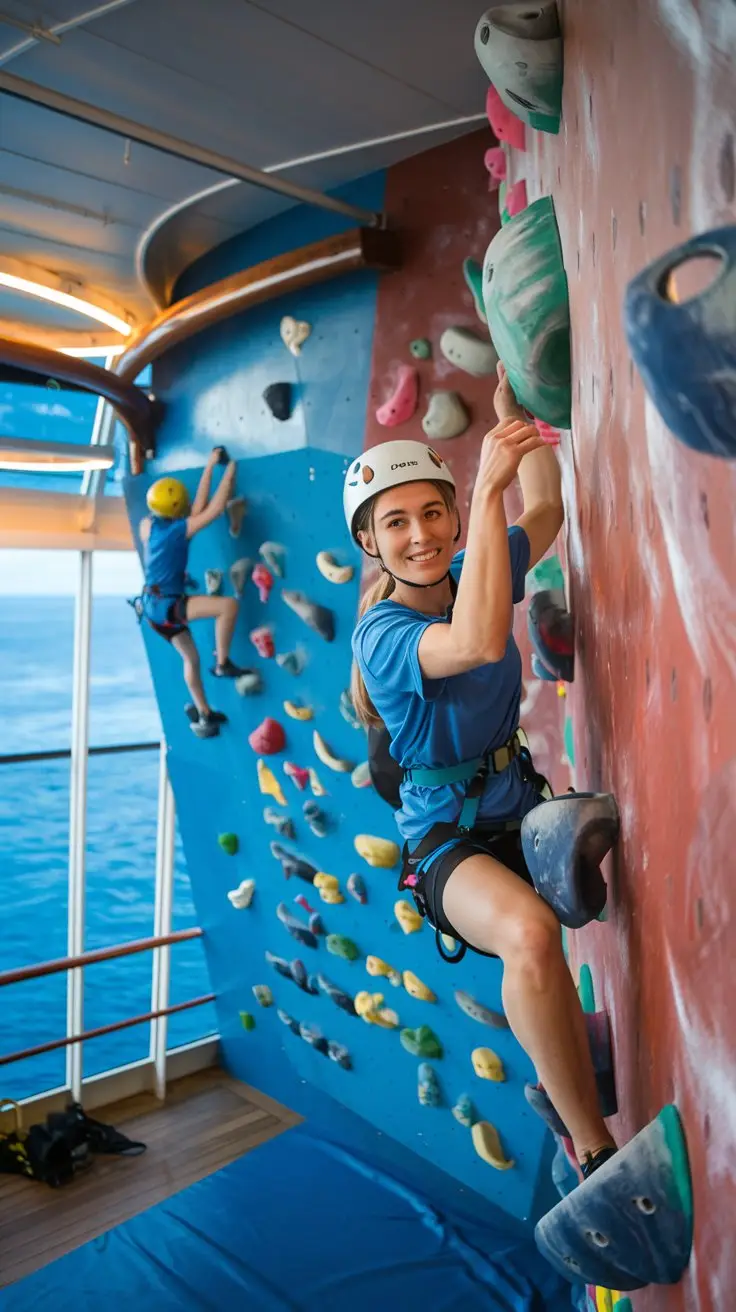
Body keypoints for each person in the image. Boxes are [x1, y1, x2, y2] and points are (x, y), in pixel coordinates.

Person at [348, 365, 617, 1179]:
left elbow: (549, 510)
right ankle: (593, 1151)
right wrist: (487, 486)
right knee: (530, 936)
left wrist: (517, 417)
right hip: (444, 843)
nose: (422, 533)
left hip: (515, 804)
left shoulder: (475, 572)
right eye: (397, 523)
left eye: (434, 512)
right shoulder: (382, 635)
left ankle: (565, 1062)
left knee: (545, 947)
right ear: (371, 543)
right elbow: (474, 644)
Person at [136, 446, 247, 739]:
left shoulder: (148, 525)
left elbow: (195, 512)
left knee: (191, 659)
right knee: (228, 607)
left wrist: (210, 466)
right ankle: (222, 663)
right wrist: (230, 470)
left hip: (151, 609)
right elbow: (212, 510)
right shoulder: (175, 532)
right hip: (169, 606)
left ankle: (204, 712)